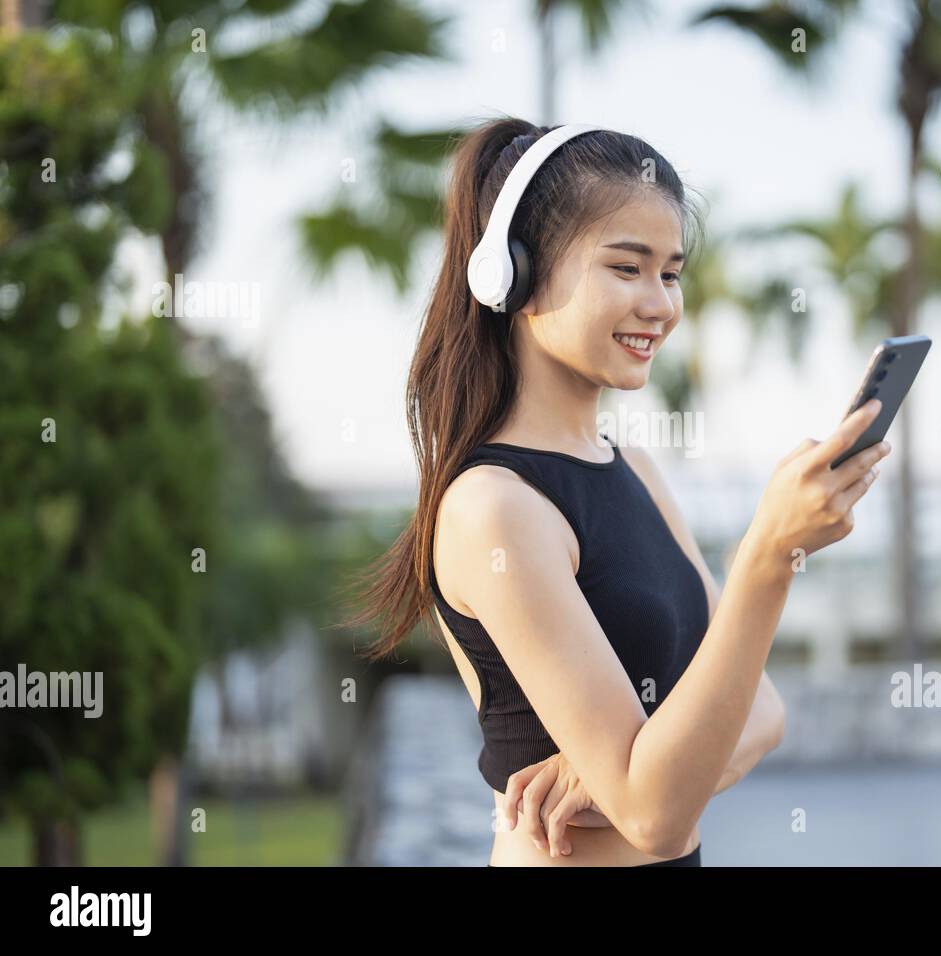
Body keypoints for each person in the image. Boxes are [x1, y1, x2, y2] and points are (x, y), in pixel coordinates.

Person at [347, 116, 892, 866]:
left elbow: (762, 713)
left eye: (670, 273)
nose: (661, 305)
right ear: (516, 275)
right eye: (627, 268)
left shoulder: (630, 465)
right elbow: (658, 814)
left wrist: (621, 778)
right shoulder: (494, 508)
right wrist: (770, 550)